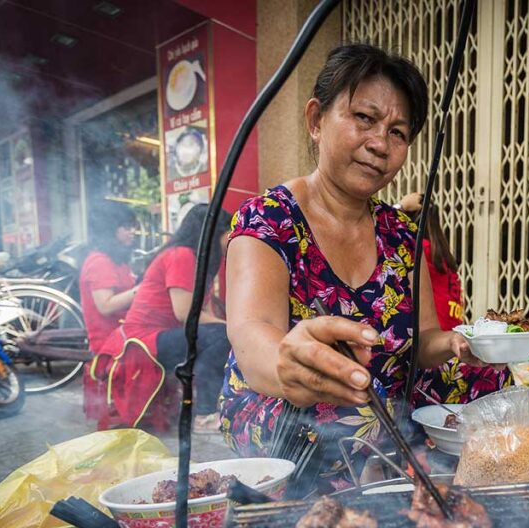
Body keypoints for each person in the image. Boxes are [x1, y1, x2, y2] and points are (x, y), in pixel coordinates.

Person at [220, 44, 491, 490]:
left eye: (398, 132)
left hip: (381, 396)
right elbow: (252, 334)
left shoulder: (403, 233)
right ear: (315, 120)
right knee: (345, 407)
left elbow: (423, 342)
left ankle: (463, 493)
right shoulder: (268, 218)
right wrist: (293, 363)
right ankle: (348, 507)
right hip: (285, 399)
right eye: (364, 118)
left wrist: (460, 343)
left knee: (488, 378)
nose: (379, 144)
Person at [100, 203, 230, 432]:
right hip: (142, 340)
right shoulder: (181, 255)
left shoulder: (203, 261)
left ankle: (207, 405)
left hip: (163, 335)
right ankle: (205, 415)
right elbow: (186, 314)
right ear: (213, 232)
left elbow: (205, 314)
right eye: (230, 232)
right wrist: (232, 328)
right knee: (221, 336)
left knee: (220, 334)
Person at [395, 192, 510, 406]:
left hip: (434, 347)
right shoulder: (443, 255)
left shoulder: (416, 248)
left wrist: (400, 206)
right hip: (452, 345)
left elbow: (380, 231)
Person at [79, 201, 138, 354]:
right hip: (111, 342)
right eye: (127, 227)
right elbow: (105, 306)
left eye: (133, 227)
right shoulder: (99, 262)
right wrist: (142, 289)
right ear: (110, 230)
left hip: (126, 332)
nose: (133, 232)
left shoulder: (116, 259)